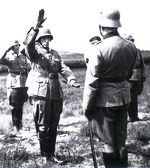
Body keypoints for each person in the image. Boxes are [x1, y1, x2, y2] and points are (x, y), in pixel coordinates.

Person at [82, 8, 137, 167]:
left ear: (101, 27)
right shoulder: (131, 46)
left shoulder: (98, 48)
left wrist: (87, 106)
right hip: (124, 97)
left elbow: (92, 81)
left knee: (107, 142)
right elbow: (130, 72)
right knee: (121, 141)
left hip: (104, 101)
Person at [24, 9, 80, 162]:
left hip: (55, 92)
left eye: (49, 39)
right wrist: (36, 26)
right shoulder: (33, 52)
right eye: (44, 39)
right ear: (39, 40)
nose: (47, 41)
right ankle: (45, 156)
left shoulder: (55, 54)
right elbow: (28, 43)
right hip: (40, 92)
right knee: (43, 126)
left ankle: (51, 154)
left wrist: (71, 79)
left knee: (54, 126)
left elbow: (63, 67)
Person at [0, 40, 28, 135]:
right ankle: (15, 127)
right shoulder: (8, 56)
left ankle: (20, 126)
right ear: (11, 47)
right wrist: (6, 51)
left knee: (20, 105)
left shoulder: (22, 56)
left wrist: (27, 83)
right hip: (13, 84)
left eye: (18, 45)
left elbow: (26, 70)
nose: (17, 47)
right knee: (14, 106)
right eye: (15, 45)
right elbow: (0, 60)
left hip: (23, 83)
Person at [124, 34, 146, 122]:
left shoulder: (138, 51)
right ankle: (127, 117)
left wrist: (143, 76)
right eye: (129, 40)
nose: (131, 42)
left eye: (132, 40)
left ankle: (134, 116)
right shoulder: (123, 52)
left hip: (137, 78)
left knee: (135, 98)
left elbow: (142, 64)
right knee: (128, 98)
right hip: (128, 78)